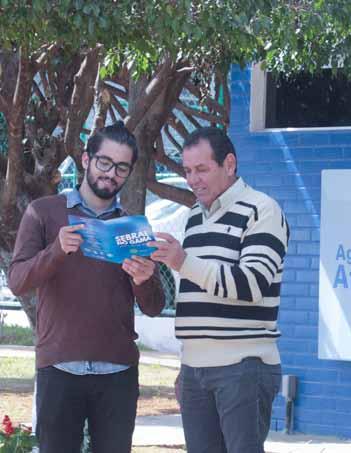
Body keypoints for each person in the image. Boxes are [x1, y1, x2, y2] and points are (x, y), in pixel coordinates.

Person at [8, 121, 165, 453]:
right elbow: (18, 281)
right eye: (104, 162)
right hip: (59, 366)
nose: (111, 174)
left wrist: (143, 279)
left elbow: (154, 306)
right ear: (86, 159)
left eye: (121, 168)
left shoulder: (133, 226)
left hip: (118, 369)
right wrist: (55, 251)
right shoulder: (44, 213)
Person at [149, 127, 289, 453]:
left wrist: (183, 261)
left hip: (243, 367)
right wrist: (187, 366)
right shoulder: (194, 218)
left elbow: (252, 284)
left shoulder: (262, 210)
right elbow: (196, 294)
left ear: (229, 164)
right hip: (195, 371)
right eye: (187, 171)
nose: (193, 179)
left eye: (202, 169)